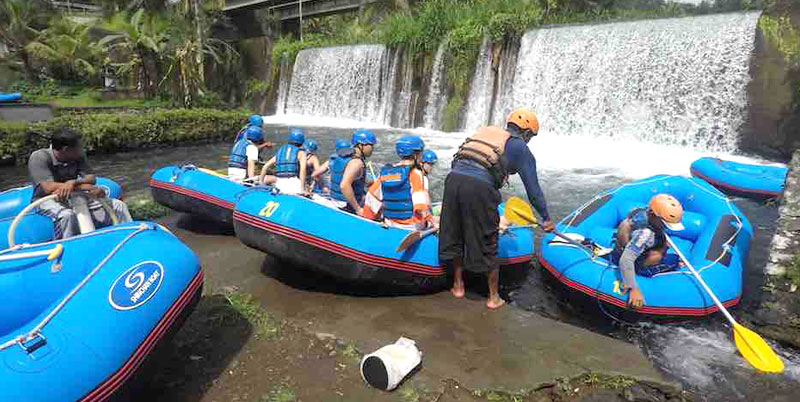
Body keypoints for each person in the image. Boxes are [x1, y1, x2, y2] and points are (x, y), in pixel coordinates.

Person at [438, 108, 553, 310]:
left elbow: (461, 160)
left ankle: (458, 286)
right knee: (489, 241)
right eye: (530, 137)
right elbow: (533, 191)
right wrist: (546, 218)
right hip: (480, 186)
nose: (529, 141)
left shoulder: (487, 135)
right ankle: (493, 298)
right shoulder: (520, 148)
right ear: (526, 133)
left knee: (455, 233)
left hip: (453, 180)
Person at [28, 128, 132, 239]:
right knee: (66, 215)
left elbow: (91, 178)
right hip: (46, 200)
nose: (82, 149)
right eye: (79, 147)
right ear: (66, 149)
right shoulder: (39, 157)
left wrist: (73, 183)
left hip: (74, 195)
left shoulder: (77, 155)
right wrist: (82, 186)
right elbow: (48, 187)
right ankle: (67, 246)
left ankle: (128, 238)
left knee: (118, 205)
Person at [612, 193, 685, 310]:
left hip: (620, 248)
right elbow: (626, 260)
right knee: (674, 259)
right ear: (653, 215)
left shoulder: (640, 211)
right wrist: (633, 289)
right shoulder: (645, 234)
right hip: (635, 262)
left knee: (661, 243)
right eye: (664, 223)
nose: (666, 227)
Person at [362, 135, 434, 230]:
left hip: (390, 222)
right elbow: (420, 204)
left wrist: (367, 217)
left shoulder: (386, 172)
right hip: (411, 226)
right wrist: (431, 220)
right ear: (416, 154)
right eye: (421, 153)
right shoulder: (416, 173)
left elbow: (371, 197)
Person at [329, 129, 376, 214]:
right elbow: (344, 185)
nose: (372, 148)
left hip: (335, 199)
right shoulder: (357, 162)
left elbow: (354, 177)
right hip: (346, 205)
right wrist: (358, 209)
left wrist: (371, 182)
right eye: (371, 145)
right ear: (361, 145)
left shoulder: (345, 157)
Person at [258, 128, 308, 195]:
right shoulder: (301, 153)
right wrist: (302, 189)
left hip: (279, 184)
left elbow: (265, 166)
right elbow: (303, 170)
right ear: (302, 142)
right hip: (294, 185)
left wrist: (261, 183)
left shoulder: (281, 152)